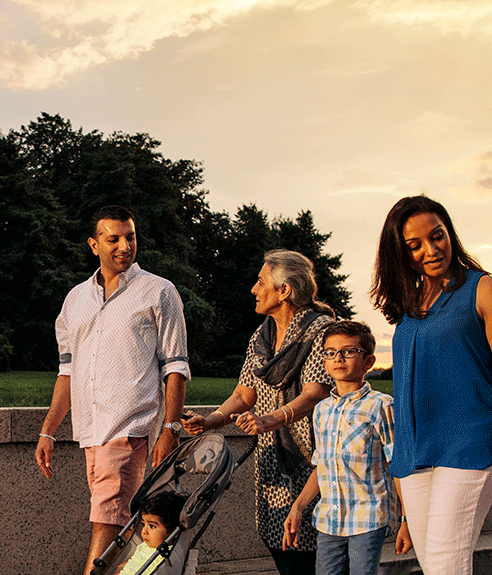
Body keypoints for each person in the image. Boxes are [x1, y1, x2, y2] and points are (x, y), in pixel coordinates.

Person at [369, 195, 492, 575]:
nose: (430, 250)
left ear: (450, 234)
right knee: (435, 568)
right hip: (415, 453)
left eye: (437, 236)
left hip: (470, 444)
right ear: (401, 253)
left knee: (446, 565)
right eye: (415, 245)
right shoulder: (410, 305)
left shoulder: (486, 290)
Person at [36, 205, 191, 575]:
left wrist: (170, 429)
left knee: (106, 520)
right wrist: (48, 430)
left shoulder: (159, 292)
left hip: (130, 428)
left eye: (131, 236)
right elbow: (67, 371)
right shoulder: (75, 300)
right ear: (94, 245)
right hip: (90, 432)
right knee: (122, 522)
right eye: (113, 239)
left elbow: (176, 366)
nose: (124, 245)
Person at [182, 249, 335, 573]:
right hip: (272, 461)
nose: (253, 288)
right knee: (279, 542)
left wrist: (269, 420)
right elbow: (243, 393)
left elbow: (314, 394)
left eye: (260, 281)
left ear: (284, 290)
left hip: (314, 461)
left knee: (310, 552)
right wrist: (210, 422)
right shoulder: (263, 336)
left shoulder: (321, 331)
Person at [281, 319, 404, 575]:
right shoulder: (322, 409)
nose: (339, 358)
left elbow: (397, 465)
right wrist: (298, 507)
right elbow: (323, 466)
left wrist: (407, 520)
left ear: (368, 361)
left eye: (349, 351)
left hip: (368, 517)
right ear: (324, 361)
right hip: (329, 520)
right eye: (330, 353)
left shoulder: (381, 406)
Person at [117, 491, 187, 575]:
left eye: (152, 526)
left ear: (173, 532)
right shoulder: (145, 545)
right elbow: (132, 562)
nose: (144, 531)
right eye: (143, 524)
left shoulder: (167, 559)